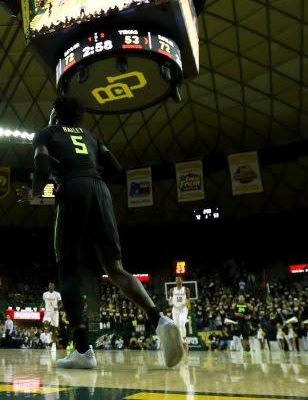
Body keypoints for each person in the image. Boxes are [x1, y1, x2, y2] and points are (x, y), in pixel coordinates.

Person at [17, 95, 182, 369]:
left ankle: (82, 351)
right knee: (115, 267)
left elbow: (43, 167)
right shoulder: (91, 137)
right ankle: (159, 320)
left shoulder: (45, 134)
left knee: (67, 268)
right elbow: (116, 169)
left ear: (55, 114)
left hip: (73, 189)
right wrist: (92, 182)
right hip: (100, 190)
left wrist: (35, 192)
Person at [169, 277, 190, 351]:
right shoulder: (172, 290)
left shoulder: (186, 289)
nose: (178, 281)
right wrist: (171, 301)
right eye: (176, 280)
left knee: (182, 324)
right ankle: (180, 342)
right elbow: (170, 302)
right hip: (175, 310)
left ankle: (184, 341)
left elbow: (187, 300)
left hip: (183, 309)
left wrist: (182, 305)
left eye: (179, 279)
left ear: (182, 281)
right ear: (175, 282)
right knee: (177, 327)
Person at [42, 282, 62, 350]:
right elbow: (43, 303)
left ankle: (54, 344)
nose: (51, 287)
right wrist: (41, 307)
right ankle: (47, 340)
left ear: (54, 287)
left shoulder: (57, 294)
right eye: (50, 286)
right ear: (48, 287)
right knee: (46, 323)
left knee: (54, 330)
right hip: (47, 312)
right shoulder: (45, 294)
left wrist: (57, 308)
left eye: (52, 286)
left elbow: (61, 304)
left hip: (55, 313)